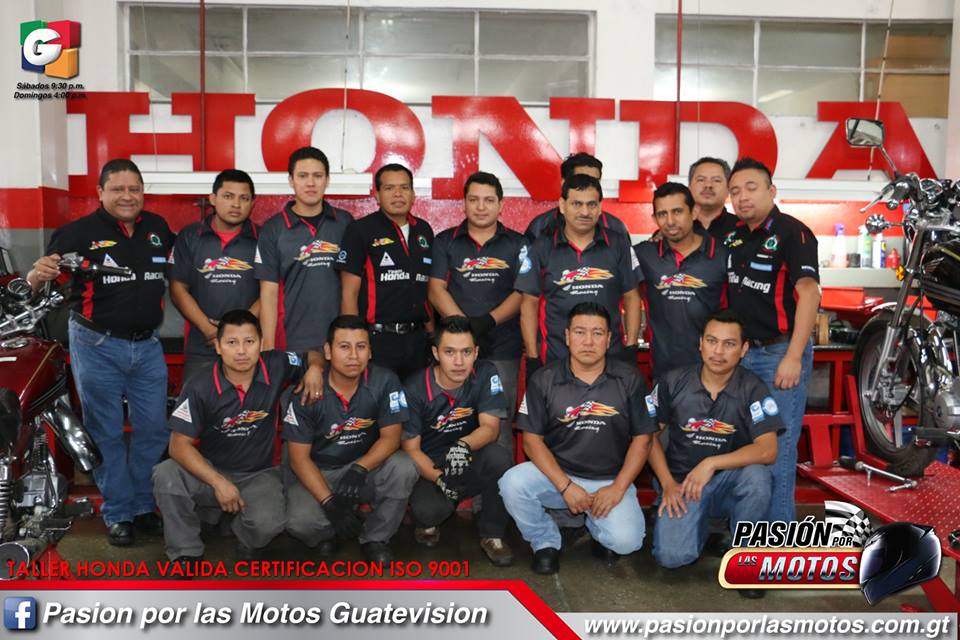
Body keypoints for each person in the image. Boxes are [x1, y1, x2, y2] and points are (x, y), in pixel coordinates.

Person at [27, 158, 174, 546]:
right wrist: (36, 275)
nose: (127, 196)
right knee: (105, 431)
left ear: (143, 192)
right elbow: (38, 284)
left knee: (153, 429)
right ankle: (119, 512)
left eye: (134, 189)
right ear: (100, 192)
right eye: (118, 189)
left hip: (147, 345)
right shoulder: (76, 233)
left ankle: (143, 505)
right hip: (96, 345)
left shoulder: (158, 229)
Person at [152, 310, 324, 564]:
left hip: (259, 474)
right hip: (211, 471)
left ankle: (236, 528)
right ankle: (186, 551)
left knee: (267, 526)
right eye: (232, 342)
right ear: (218, 347)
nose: (241, 351)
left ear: (261, 344)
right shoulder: (199, 385)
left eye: (249, 342)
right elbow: (178, 446)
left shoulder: (275, 364)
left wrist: (315, 369)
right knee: (166, 474)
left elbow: (312, 355)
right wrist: (219, 482)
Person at [499, 302, 656, 575]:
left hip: (609, 479)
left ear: (609, 338)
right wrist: (566, 486)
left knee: (627, 542)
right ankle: (545, 541)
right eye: (580, 332)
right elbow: (531, 442)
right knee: (511, 483)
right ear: (568, 336)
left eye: (597, 333)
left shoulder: (630, 379)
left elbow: (643, 439)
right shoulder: (544, 379)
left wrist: (618, 487)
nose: (588, 341)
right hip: (559, 476)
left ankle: (596, 529)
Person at [646, 311, 782, 599]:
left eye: (729, 344)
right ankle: (703, 526)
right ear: (700, 343)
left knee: (758, 477)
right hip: (683, 484)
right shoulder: (672, 381)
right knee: (672, 557)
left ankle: (745, 559)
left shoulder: (753, 387)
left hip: (729, 483)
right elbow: (647, 437)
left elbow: (768, 450)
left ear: (744, 349)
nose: (718, 351)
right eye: (712, 341)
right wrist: (667, 483)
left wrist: (711, 463)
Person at [725, 157, 820, 523]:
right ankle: (751, 535)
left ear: (771, 190)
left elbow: (809, 294)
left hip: (779, 353)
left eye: (751, 188)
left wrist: (793, 357)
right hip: (742, 358)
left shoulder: (793, 232)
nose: (743, 197)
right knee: (748, 447)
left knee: (777, 450)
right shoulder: (734, 235)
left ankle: (780, 543)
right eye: (735, 191)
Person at [283, 315, 418, 564]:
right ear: (327, 351)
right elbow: (299, 459)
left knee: (404, 467)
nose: (354, 356)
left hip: (364, 468)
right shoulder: (308, 389)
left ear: (370, 351)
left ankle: (375, 538)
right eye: (344, 347)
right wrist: (329, 503)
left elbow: (391, 438)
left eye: (361, 346)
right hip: (319, 471)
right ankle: (327, 533)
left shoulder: (385, 381)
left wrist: (359, 469)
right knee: (300, 522)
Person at [401, 316, 515, 567]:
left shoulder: (485, 372)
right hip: (431, 466)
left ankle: (493, 535)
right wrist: (439, 479)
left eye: (466, 352)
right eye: (449, 352)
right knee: (428, 512)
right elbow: (411, 449)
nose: (459, 361)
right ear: (436, 353)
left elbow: (490, 429)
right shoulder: (414, 387)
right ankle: (428, 518)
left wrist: (462, 446)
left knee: (499, 457)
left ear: (476, 352)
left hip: (468, 456)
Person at [428, 171, 524, 453]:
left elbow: (523, 293)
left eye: (489, 200)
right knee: (452, 423)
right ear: (464, 203)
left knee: (499, 428)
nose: (481, 207)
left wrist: (488, 321)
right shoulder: (445, 241)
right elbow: (435, 289)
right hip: (454, 351)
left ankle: (498, 483)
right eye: (474, 200)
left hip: (501, 349)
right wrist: (464, 330)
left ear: (501, 205)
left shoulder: (519, 244)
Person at [517, 174, 640, 380]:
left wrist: (631, 347)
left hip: (611, 359)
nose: (585, 212)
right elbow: (529, 303)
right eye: (577, 204)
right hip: (556, 360)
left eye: (591, 204)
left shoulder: (618, 244)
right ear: (562, 206)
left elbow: (632, 296)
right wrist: (532, 357)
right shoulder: (542, 246)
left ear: (600, 207)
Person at [337, 163, 435, 380]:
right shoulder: (360, 230)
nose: (398, 194)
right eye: (389, 188)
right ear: (377, 195)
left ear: (413, 194)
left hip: (417, 341)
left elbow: (426, 289)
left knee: (416, 400)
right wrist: (354, 342)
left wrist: (432, 335)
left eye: (404, 187)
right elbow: (348, 293)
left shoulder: (424, 230)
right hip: (377, 340)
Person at [255, 147, 351, 352]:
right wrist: (269, 346)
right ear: (291, 180)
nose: (310, 183)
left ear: (327, 180)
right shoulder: (272, 229)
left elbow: (353, 285)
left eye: (318, 176)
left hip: (338, 341)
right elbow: (269, 292)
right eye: (302, 176)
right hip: (290, 341)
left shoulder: (345, 222)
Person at [170, 169, 260, 383]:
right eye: (228, 196)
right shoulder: (190, 236)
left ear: (252, 203)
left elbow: (270, 291)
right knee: (196, 404)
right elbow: (177, 289)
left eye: (244, 198)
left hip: (247, 349)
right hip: (202, 347)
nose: (236, 204)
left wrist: (239, 333)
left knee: (248, 405)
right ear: (213, 198)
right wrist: (210, 331)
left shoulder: (264, 238)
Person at [633, 182, 727, 381]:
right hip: (663, 371)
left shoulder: (721, 254)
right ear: (654, 219)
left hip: (712, 372)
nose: (670, 221)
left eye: (677, 212)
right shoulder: (643, 254)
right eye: (662, 214)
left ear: (694, 212)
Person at [524, 153, 629, 242]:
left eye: (595, 182)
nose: (590, 187)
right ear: (564, 184)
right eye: (581, 181)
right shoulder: (540, 227)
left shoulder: (616, 228)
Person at [689, 157, 739, 241]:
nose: (708, 185)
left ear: (728, 188)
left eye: (716, 180)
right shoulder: (676, 227)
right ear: (689, 187)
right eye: (701, 180)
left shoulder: (743, 228)